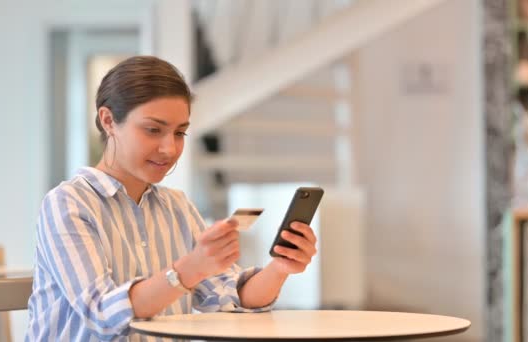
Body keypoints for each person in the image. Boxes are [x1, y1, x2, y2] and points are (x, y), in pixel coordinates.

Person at [26, 56, 318, 341]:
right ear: (108, 121)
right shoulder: (68, 203)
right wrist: (191, 268)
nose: (170, 148)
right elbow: (103, 316)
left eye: (180, 133)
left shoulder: (176, 206)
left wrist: (281, 266)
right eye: (153, 130)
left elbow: (232, 295)